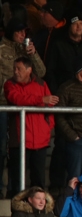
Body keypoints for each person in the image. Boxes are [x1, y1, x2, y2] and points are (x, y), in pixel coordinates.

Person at [4, 56, 56, 195]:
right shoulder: (10, 84)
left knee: (38, 180)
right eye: (14, 68)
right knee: (17, 179)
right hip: (19, 140)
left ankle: (37, 211)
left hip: (40, 139)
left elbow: (50, 106)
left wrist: (47, 127)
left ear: (29, 70)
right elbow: (17, 99)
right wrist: (40, 100)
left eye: (19, 69)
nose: (15, 72)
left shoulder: (41, 84)